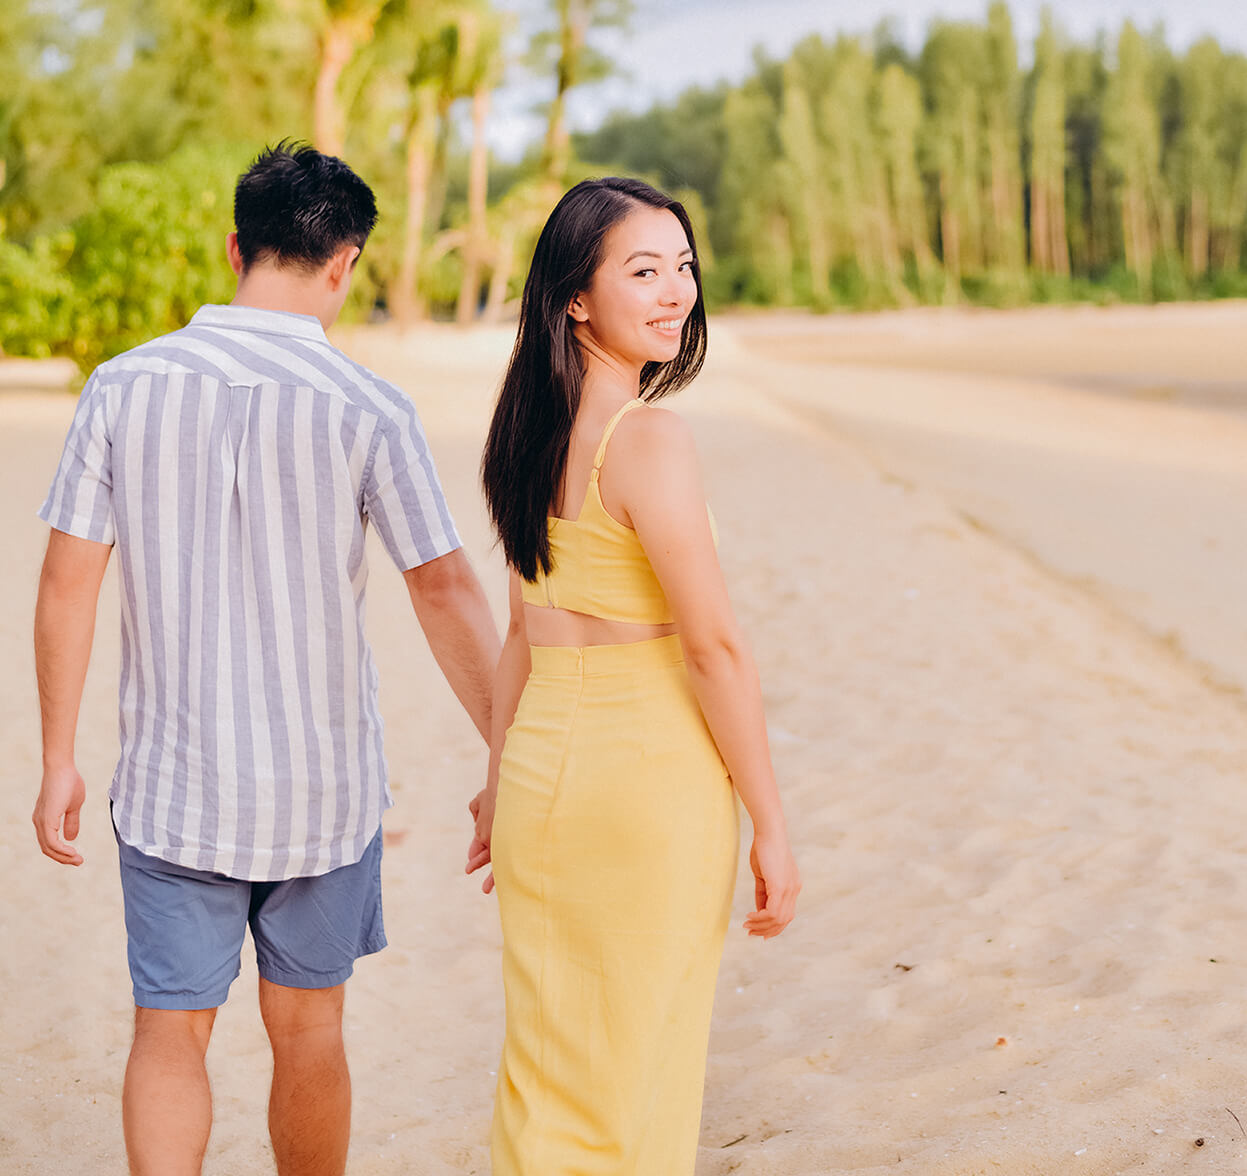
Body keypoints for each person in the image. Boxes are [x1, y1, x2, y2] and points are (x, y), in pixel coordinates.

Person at [32, 142, 501, 1176]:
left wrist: (59, 754)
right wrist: (510, 747)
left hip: (170, 784)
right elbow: (444, 587)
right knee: (311, 1031)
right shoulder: (370, 405)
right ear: (345, 263)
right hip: (320, 790)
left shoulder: (122, 385)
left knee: (168, 1030)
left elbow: (68, 580)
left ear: (235, 246)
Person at [468, 175, 800, 1174]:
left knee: (549, 1061)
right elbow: (713, 648)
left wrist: (495, 779)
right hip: (644, 779)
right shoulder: (646, 436)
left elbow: (521, 636)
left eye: (683, 266)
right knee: (636, 1062)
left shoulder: (526, 436)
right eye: (642, 270)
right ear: (576, 295)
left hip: (541, 774)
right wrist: (771, 819)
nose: (674, 292)